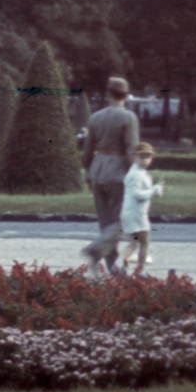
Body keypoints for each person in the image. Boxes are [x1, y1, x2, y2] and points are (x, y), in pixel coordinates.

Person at [79, 76, 140, 277]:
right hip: (118, 173)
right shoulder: (128, 118)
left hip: (98, 171)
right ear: (125, 95)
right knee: (124, 219)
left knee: (105, 223)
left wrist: (88, 173)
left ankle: (113, 268)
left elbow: (87, 153)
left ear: (108, 94)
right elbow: (132, 150)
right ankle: (96, 249)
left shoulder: (95, 117)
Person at [117, 143, 164, 276]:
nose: (145, 160)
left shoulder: (138, 172)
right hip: (136, 214)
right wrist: (154, 190)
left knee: (135, 243)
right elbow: (138, 195)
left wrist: (154, 189)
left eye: (148, 157)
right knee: (144, 241)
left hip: (133, 212)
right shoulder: (137, 174)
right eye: (141, 157)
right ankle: (139, 270)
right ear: (133, 158)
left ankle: (119, 264)